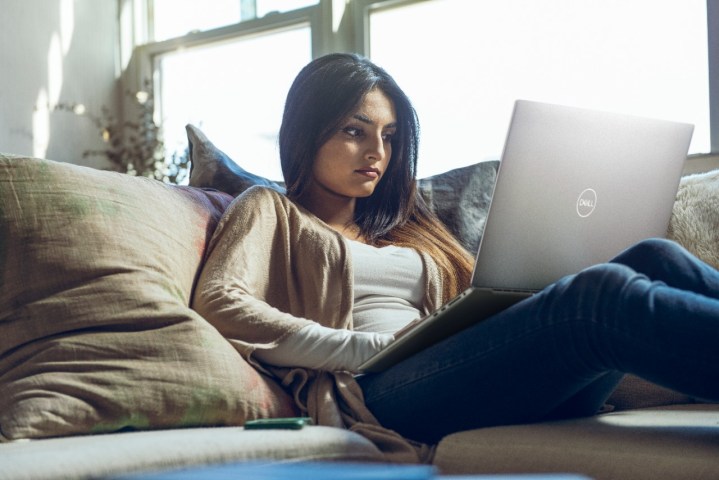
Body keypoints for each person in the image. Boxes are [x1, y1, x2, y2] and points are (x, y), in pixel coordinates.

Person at [192, 52, 719, 462]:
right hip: (385, 393)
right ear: (307, 132)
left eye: (389, 136)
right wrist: (368, 348)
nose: (377, 151)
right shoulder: (270, 210)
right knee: (600, 296)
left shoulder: (409, 225)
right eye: (355, 131)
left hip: (465, 371)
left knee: (653, 256)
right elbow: (219, 301)